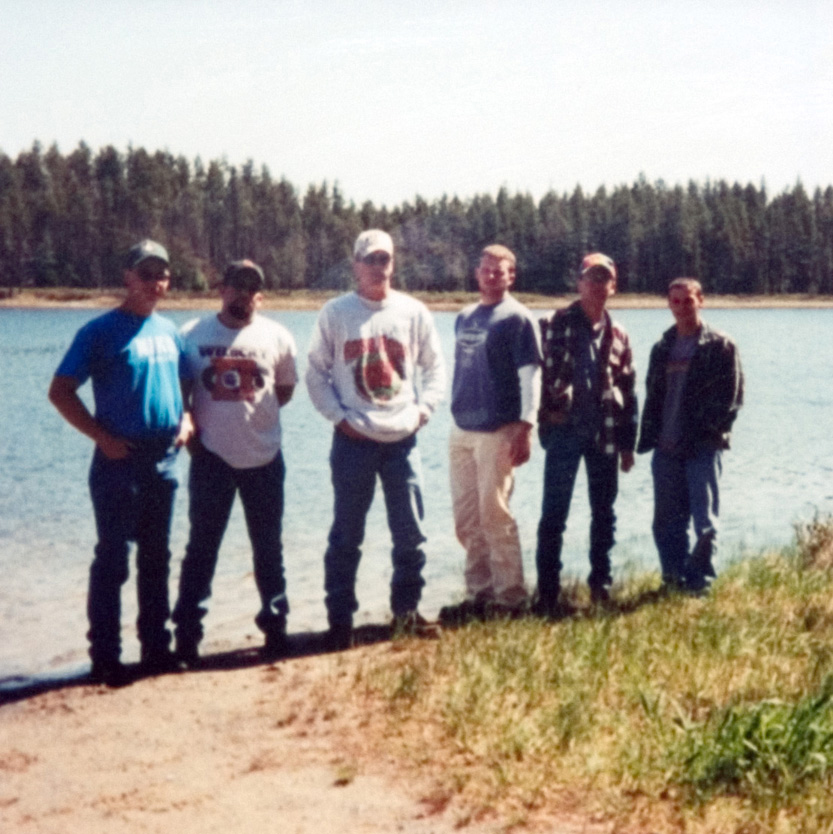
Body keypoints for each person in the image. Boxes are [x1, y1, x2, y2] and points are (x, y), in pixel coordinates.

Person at [48, 239, 191, 685]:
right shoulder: (99, 332)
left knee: (157, 559)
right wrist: (100, 436)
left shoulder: (169, 332)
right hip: (118, 460)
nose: (154, 283)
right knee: (112, 560)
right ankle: (105, 657)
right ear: (127, 278)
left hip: (164, 460)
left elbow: (186, 386)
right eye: (145, 274)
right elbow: (60, 391)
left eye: (162, 274)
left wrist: (186, 419)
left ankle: (155, 650)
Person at [306, 229, 446, 649]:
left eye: (384, 259)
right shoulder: (336, 313)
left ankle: (405, 612)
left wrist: (424, 410)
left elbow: (435, 369)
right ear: (355, 265)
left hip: (402, 440)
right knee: (346, 534)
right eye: (370, 260)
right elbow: (316, 373)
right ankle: (339, 621)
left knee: (410, 533)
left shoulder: (414, 312)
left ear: (393, 263)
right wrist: (338, 418)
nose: (378, 267)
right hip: (353, 441)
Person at [172, 260, 298, 665]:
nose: (243, 293)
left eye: (251, 287)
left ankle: (275, 629)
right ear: (221, 289)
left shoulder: (278, 336)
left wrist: (251, 425)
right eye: (236, 285)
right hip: (211, 460)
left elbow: (283, 391)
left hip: (264, 459)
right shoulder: (191, 335)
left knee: (269, 549)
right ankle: (187, 638)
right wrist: (196, 429)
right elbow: (182, 396)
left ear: (259, 294)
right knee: (202, 550)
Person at [442, 244, 541, 623]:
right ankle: (479, 595)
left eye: (499, 271)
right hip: (462, 429)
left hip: (498, 430)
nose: (491, 275)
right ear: (476, 273)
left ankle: (512, 599)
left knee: (494, 513)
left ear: (511, 276)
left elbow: (530, 377)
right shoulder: (465, 316)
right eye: (485, 269)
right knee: (466, 519)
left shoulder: (518, 318)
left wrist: (526, 426)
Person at [535, 252, 637, 614]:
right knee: (553, 516)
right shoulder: (552, 324)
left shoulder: (620, 334)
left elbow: (629, 390)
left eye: (603, 278)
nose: (596, 284)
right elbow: (532, 380)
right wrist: (535, 422)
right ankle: (547, 593)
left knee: (604, 514)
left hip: (605, 434)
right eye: (590, 277)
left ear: (613, 285)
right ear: (578, 283)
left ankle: (601, 586)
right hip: (563, 433)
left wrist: (629, 445)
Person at [637, 278, 743, 593]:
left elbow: (733, 398)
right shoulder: (662, 347)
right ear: (669, 304)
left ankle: (699, 584)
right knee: (667, 523)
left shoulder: (721, 345)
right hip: (666, 449)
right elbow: (653, 397)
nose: (682, 307)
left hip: (703, 448)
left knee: (705, 523)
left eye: (688, 300)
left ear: (701, 301)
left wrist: (708, 431)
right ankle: (673, 579)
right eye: (676, 301)